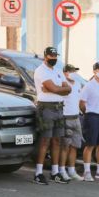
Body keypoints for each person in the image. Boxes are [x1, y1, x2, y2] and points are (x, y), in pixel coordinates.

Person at [33, 47, 71, 185]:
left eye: (55, 56)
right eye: (51, 56)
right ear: (45, 56)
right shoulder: (40, 71)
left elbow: (69, 89)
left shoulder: (57, 70)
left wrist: (54, 89)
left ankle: (55, 172)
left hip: (59, 108)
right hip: (47, 108)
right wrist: (57, 89)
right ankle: (38, 173)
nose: (53, 58)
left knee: (57, 141)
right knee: (45, 141)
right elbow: (57, 88)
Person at [59, 64, 84, 181]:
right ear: (65, 73)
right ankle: (62, 170)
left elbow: (78, 100)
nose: (74, 73)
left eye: (75, 71)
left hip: (76, 117)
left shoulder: (77, 84)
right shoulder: (62, 83)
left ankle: (72, 170)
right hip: (66, 117)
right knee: (65, 146)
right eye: (71, 71)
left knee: (74, 145)